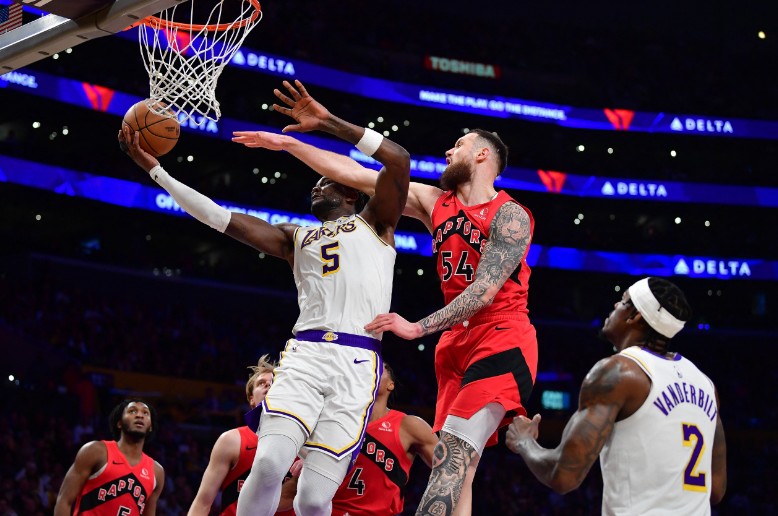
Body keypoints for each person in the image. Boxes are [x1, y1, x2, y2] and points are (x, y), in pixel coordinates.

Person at [120, 79, 410, 516]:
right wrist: (155, 171)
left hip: (359, 364)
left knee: (314, 499)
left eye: (326, 182)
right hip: (308, 353)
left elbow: (398, 158)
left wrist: (329, 123)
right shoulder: (294, 237)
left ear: (351, 191)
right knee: (271, 461)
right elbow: (220, 218)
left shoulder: (378, 222)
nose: (316, 187)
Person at [234, 100, 536, 515]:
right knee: (460, 464)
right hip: (455, 342)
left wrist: (417, 327)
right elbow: (353, 174)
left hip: (501, 332)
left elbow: (484, 290)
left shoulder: (511, 215)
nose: (448, 152)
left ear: (482, 154)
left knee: (451, 457)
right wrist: (289, 146)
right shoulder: (435, 201)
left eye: (457, 145)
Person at [505, 277, 727, 514]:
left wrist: (524, 442)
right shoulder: (705, 384)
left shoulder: (619, 372)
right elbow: (716, 489)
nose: (614, 306)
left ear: (635, 316)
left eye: (622, 302)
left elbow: (564, 475)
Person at [188, 355, 300, 516]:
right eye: (261, 383)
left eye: (275, 382)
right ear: (252, 399)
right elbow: (203, 502)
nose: (268, 384)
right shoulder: (231, 440)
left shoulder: (305, 445)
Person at [331, 363, 438, 516]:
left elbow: (451, 471)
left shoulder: (409, 425)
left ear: (390, 385)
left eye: (379, 367)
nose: (371, 368)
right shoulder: (335, 419)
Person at [54, 399, 165, 515]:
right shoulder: (96, 451)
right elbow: (64, 501)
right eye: (132, 411)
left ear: (150, 426)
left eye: (145, 413)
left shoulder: (156, 472)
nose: (139, 415)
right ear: (119, 423)